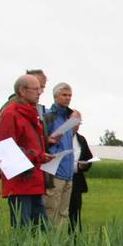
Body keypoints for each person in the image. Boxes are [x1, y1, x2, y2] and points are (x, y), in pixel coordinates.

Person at [0, 74, 50, 227]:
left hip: (35, 181)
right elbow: (7, 149)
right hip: (20, 184)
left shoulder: (32, 113)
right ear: (22, 90)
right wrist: (37, 156)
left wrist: (41, 156)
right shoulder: (10, 114)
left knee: (42, 231)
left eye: (40, 89)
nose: (39, 92)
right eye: (36, 89)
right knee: (23, 232)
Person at [43, 82, 81, 227]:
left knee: (64, 213)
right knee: (51, 210)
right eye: (64, 95)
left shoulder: (69, 118)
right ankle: (48, 244)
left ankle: (60, 243)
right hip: (54, 171)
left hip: (68, 172)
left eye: (70, 95)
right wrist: (49, 141)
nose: (67, 98)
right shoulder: (48, 117)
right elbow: (42, 143)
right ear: (55, 96)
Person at [68, 127, 94, 231]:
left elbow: (88, 158)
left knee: (75, 210)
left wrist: (85, 165)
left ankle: (74, 236)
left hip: (77, 179)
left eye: (79, 123)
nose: (77, 126)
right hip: (61, 177)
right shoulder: (61, 138)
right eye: (75, 123)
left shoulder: (81, 139)